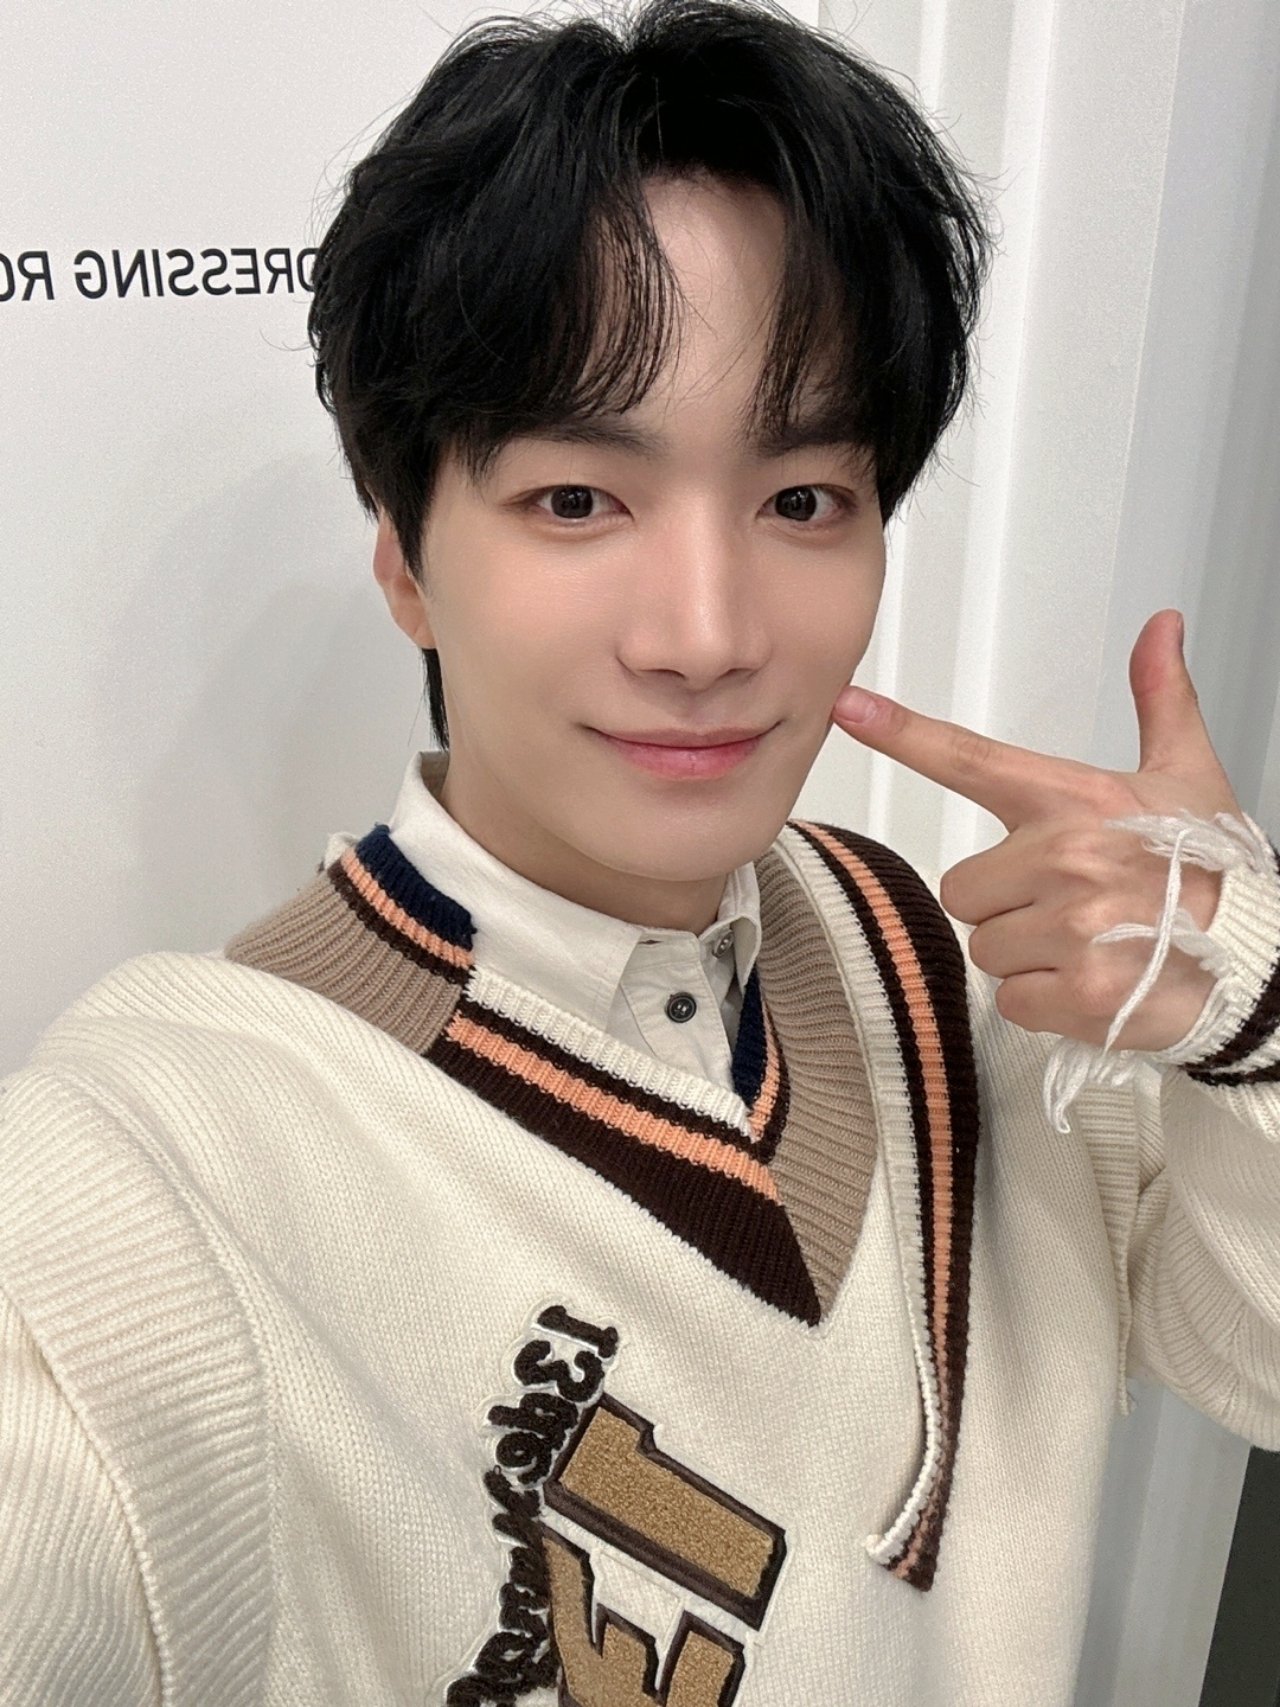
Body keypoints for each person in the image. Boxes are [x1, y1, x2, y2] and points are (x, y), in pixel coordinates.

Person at [2, 0, 1278, 1702]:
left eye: (802, 500)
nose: (707, 634)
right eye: (578, 502)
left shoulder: (940, 957)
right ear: (405, 560)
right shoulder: (156, 1170)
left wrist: (1247, 1009)